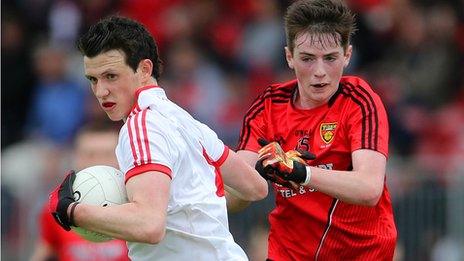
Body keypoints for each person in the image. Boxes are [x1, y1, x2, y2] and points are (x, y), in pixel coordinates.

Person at [49, 16, 268, 261]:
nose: (101, 91)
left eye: (111, 76)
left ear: (144, 69)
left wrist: (71, 211)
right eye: (93, 79)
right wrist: (195, 206)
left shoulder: (140, 125)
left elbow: (149, 226)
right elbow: (254, 187)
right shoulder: (186, 121)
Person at [236, 0, 397, 260]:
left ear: (347, 55)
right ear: (289, 57)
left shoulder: (360, 101)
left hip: (362, 254)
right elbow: (238, 192)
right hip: (287, 253)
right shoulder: (267, 106)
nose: (319, 72)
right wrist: (248, 172)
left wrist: (301, 173)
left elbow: (369, 188)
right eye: (308, 59)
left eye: (330, 58)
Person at [31, 121, 129, 261]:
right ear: (76, 158)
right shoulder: (56, 210)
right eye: (90, 154)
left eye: (107, 154)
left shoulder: (141, 207)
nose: (99, 161)